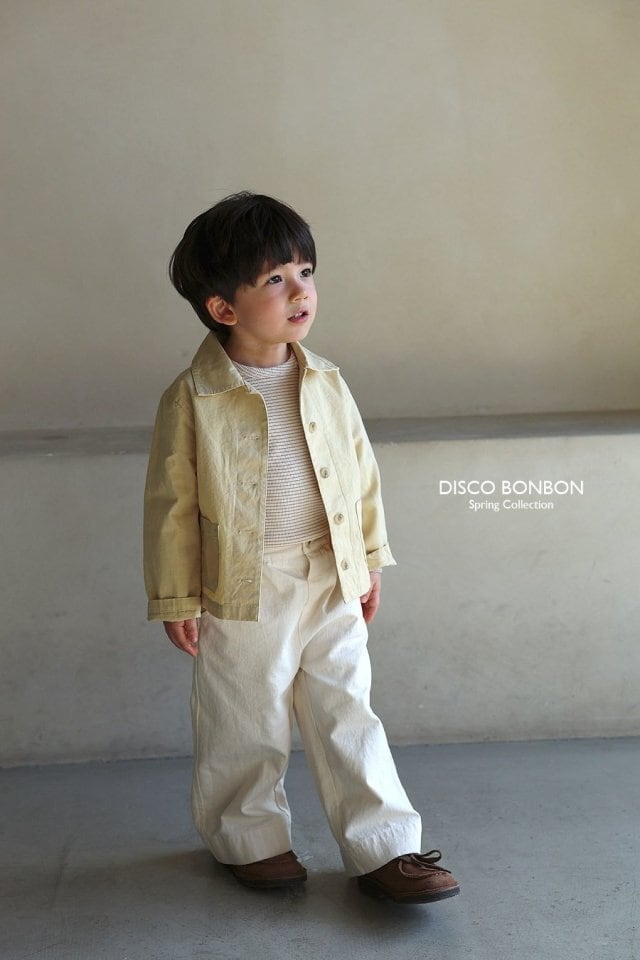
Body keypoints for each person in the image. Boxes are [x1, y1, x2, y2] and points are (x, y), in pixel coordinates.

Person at [143, 192, 460, 904]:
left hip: (330, 572)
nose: (300, 292)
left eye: (306, 272)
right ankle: (248, 837)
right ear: (223, 308)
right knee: (244, 714)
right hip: (242, 585)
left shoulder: (326, 381)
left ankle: (385, 847)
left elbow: (360, 474)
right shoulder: (192, 398)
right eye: (275, 279)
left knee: (348, 708)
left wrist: (368, 559)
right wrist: (177, 597)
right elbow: (171, 507)